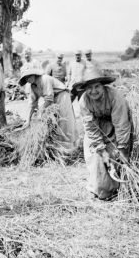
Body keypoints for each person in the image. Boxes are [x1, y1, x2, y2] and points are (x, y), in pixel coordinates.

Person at [77, 68, 132, 201]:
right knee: (94, 155)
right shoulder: (83, 101)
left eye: (97, 87)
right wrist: (101, 149)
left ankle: (116, 188)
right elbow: (90, 127)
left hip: (115, 126)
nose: (93, 91)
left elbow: (121, 124)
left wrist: (123, 148)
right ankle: (98, 188)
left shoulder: (115, 96)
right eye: (89, 88)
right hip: (96, 127)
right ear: (85, 89)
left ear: (103, 86)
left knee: (115, 154)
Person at [19, 66, 78, 149]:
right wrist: (28, 120)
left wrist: (41, 112)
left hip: (62, 95)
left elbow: (49, 98)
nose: (28, 79)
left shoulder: (44, 79)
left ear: (34, 74)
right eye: (26, 78)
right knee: (55, 122)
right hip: (53, 99)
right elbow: (32, 103)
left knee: (64, 121)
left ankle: (70, 147)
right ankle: (59, 145)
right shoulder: (33, 86)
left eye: (29, 76)